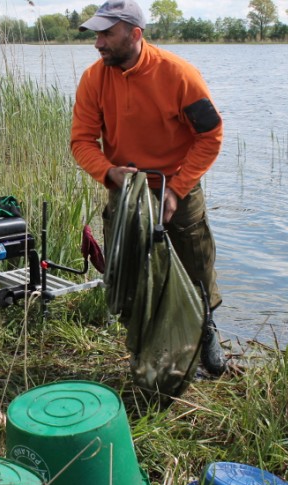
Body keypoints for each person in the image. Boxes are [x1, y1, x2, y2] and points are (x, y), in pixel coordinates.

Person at [70, 0, 226, 375]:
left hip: (178, 184)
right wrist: (110, 174)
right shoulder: (94, 79)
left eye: (107, 34)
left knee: (195, 263)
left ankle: (206, 330)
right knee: (130, 271)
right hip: (126, 190)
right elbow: (81, 141)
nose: (98, 43)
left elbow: (210, 135)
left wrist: (177, 189)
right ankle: (143, 345)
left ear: (134, 34)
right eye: (96, 34)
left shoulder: (178, 74)